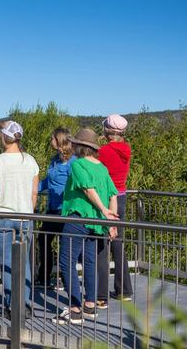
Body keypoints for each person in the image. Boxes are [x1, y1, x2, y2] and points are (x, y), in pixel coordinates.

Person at [53, 128, 118, 325]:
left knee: (66, 260)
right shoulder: (102, 167)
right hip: (96, 223)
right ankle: (90, 305)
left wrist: (105, 212)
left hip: (78, 218)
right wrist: (112, 221)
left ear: (79, 146)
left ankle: (74, 309)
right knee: (89, 262)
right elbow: (113, 194)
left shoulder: (78, 165)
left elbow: (88, 190)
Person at [0, 121, 39, 320]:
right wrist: (28, 211)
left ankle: (11, 305)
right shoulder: (30, 161)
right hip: (25, 218)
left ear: (3, 137)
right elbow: (34, 193)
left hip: (3, 218)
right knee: (24, 262)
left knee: (7, 263)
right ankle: (25, 303)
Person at [96, 114, 133, 309]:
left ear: (107, 131)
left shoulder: (103, 152)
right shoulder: (126, 150)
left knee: (102, 246)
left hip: (107, 198)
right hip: (122, 197)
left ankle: (101, 295)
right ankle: (124, 290)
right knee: (118, 243)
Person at [37, 127, 76, 289]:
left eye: (52, 138)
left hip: (65, 210)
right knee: (43, 239)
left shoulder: (73, 163)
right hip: (52, 209)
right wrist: (32, 189)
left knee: (64, 246)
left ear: (59, 140)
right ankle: (44, 278)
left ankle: (62, 278)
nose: (50, 141)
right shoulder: (54, 160)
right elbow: (47, 181)